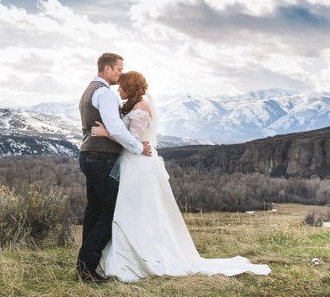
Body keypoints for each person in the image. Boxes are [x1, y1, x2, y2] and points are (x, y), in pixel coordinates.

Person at [90, 70, 271, 280]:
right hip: (132, 163)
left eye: (121, 87)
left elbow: (132, 140)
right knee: (129, 208)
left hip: (139, 165)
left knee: (138, 209)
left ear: (129, 88)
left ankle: (143, 255)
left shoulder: (141, 108)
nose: (118, 90)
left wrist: (106, 133)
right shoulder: (134, 106)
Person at [76, 53, 153, 283]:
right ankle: (86, 266)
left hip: (90, 155)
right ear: (107, 69)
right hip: (101, 158)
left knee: (95, 211)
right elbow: (117, 129)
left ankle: (85, 266)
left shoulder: (89, 91)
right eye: (119, 69)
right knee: (110, 212)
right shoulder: (105, 94)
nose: (121, 74)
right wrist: (138, 148)